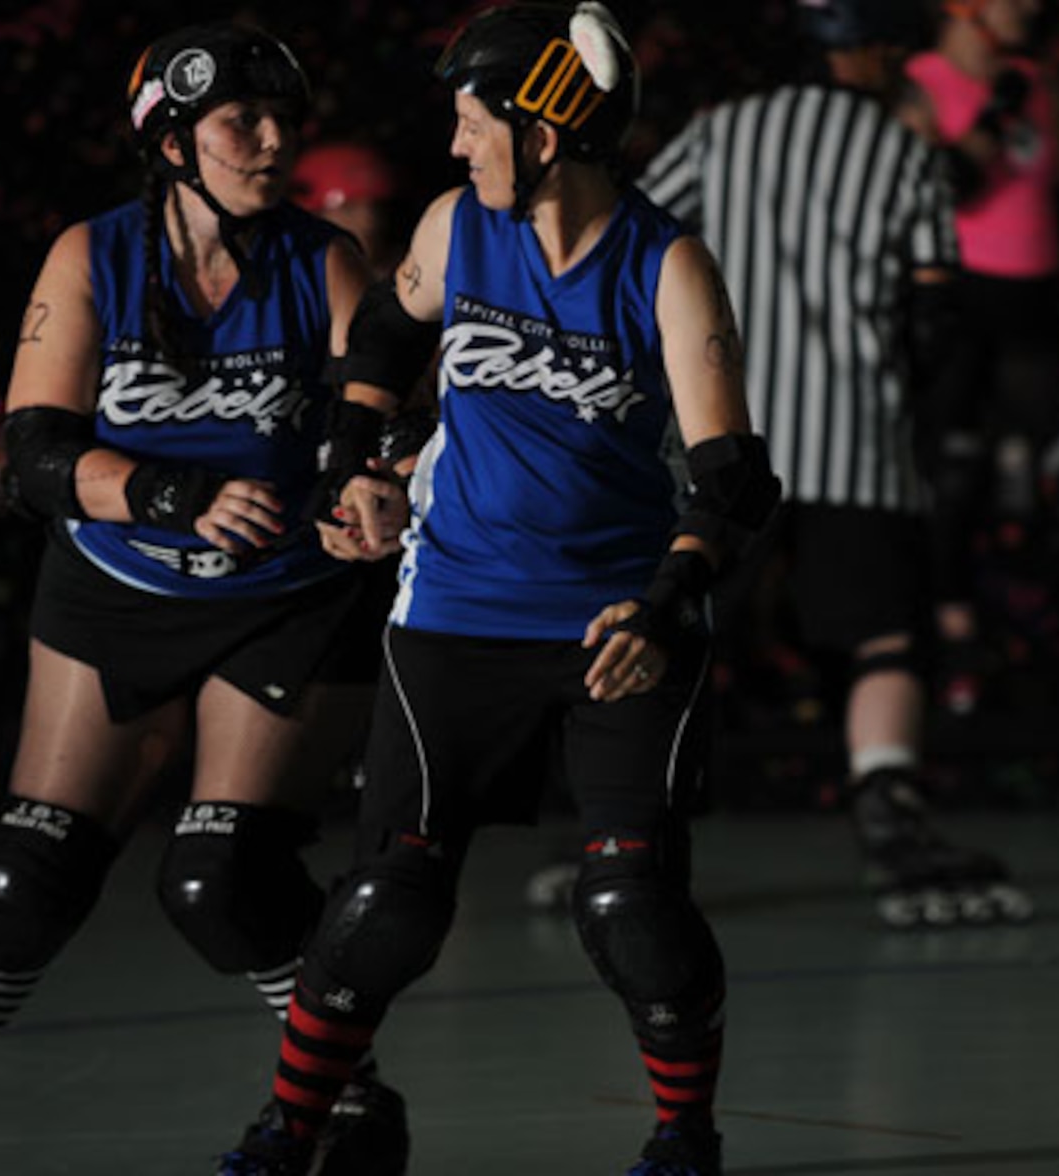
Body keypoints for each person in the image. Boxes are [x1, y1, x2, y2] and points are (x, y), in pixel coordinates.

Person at [0, 21, 411, 1176]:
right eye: (244, 121)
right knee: (26, 870)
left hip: (281, 595)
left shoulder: (322, 258)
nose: (274, 140)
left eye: (284, 117)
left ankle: (347, 1099)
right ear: (175, 142)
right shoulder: (91, 257)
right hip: (115, 585)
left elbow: (372, 418)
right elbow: (35, 457)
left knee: (222, 876)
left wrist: (365, 483)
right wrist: (167, 489)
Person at [212, 5, 776, 1174]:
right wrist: (353, 467)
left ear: (548, 130)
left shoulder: (662, 263)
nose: (458, 148)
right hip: (454, 615)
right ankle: (288, 1135)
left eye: (475, 124)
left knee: (631, 908)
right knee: (385, 905)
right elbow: (377, 334)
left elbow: (732, 479)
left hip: (616, 625)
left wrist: (665, 606)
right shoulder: (453, 228)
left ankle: (685, 1140)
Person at [635, 0, 1032, 928]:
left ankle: (629, 833)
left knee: (680, 633)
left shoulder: (720, 131)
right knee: (885, 637)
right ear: (875, 55)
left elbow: (634, 244)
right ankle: (890, 821)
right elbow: (936, 319)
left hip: (719, 435)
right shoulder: (904, 153)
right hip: (856, 436)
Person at [897, 0, 1059, 715]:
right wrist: (991, 119)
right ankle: (952, 641)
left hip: (1037, 306)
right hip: (959, 298)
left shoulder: (1040, 80)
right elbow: (939, 187)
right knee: (952, 472)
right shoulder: (917, 81)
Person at [294, 139, 409, 280]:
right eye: (349, 209)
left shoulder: (412, 275)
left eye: (376, 208)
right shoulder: (292, 286)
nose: (368, 221)